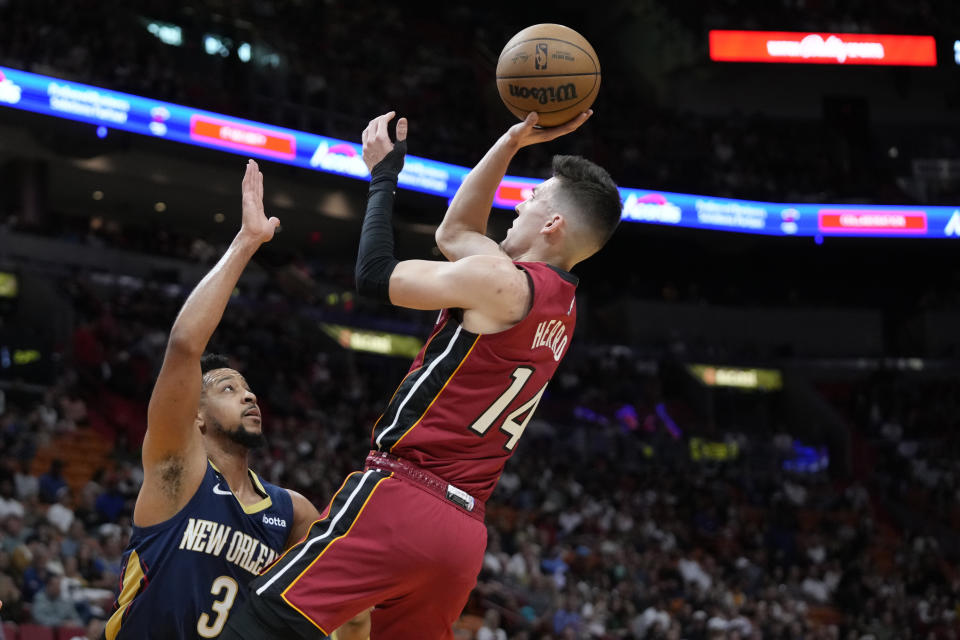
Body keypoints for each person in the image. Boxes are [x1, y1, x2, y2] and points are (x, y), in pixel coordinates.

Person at [222, 108, 621, 640]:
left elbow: (373, 276)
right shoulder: (561, 306)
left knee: (255, 624)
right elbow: (456, 231)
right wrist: (507, 142)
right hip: (463, 535)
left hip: (404, 498)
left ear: (552, 224)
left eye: (533, 197)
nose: (519, 200)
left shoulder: (499, 281)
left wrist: (384, 176)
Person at [103, 160, 369, 640]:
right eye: (227, 388)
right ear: (197, 416)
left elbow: (351, 611)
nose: (248, 394)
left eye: (248, 388)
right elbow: (185, 344)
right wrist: (247, 242)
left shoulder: (293, 512)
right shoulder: (175, 472)